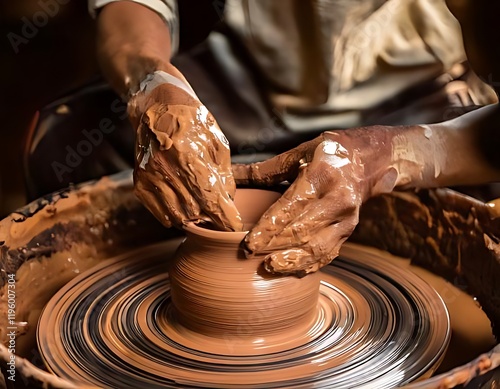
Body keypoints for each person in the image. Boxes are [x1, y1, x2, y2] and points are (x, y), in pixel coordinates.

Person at [90, 0, 500, 276]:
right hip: (253, 76)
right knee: (73, 141)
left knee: (478, 220)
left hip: (421, 86)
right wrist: (151, 82)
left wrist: (388, 154)